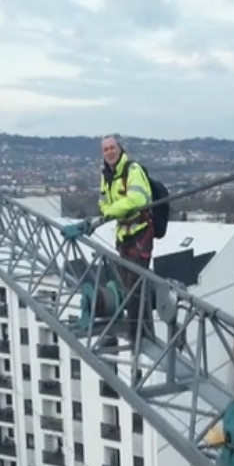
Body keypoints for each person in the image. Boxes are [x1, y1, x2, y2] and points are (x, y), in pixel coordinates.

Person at [62, 136, 155, 338]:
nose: (110, 152)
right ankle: (138, 330)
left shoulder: (133, 170)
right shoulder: (107, 175)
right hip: (124, 236)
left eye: (113, 148)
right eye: (106, 149)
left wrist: (113, 211)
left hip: (140, 233)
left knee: (137, 285)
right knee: (128, 284)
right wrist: (111, 212)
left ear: (120, 149)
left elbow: (137, 199)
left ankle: (140, 333)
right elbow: (104, 204)